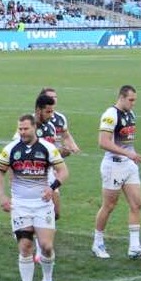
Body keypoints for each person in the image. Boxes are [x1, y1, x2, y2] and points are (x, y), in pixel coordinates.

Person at [0, 113, 69, 281]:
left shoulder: (47, 148)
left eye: (26, 128)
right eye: (20, 129)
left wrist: (52, 188)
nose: (22, 132)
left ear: (34, 127)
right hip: (20, 206)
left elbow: (63, 171)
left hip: (42, 205)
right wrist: (2, 196)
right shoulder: (10, 149)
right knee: (25, 247)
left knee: (46, 246)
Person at [92, 85, 141, 260]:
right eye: (131, 100)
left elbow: (127, 141)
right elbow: (103, 142)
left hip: (129, 165)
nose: (133, 103)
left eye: (135, 100)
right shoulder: (110, 115)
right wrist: (128, 154)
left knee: (137, 203)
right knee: (109, 205)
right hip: (113, 166)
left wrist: (131, 155)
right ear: (121, 97)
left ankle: (134, 246)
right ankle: (97, 242)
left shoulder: (130, 114)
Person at [39, 87, 80, 221]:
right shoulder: (31, 123)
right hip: (38, 167)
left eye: (55, 97)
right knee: (49, 198)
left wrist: (72, 146)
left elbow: (66, 135)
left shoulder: (58, 120)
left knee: (55, 209)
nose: (54, 99)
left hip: (54, 163)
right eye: (51, 97)